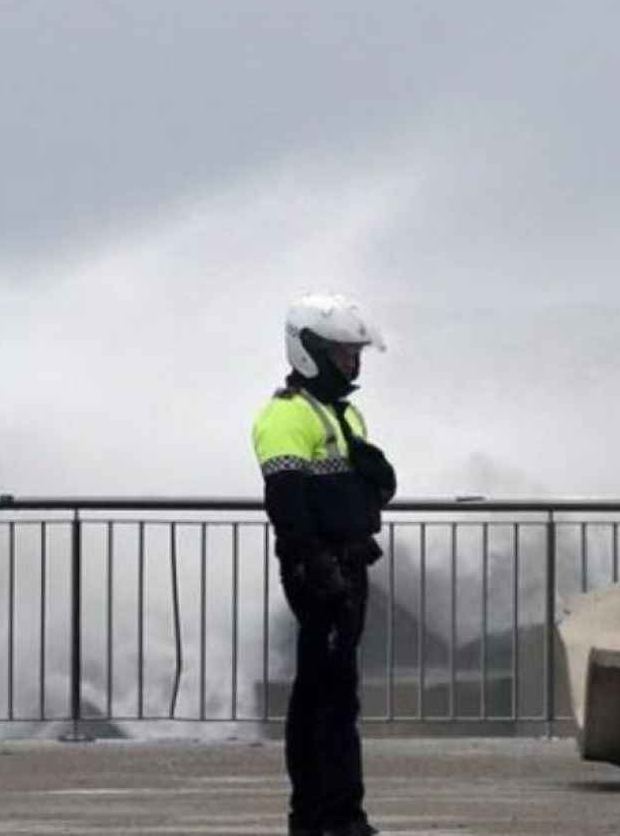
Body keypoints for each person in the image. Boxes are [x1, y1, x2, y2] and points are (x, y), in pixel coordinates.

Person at [251, 293, 397, 836]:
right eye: (341, 353)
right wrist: (316, 565)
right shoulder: (285, 416)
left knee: (335, 694)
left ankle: (335, 814)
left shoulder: (343, 413)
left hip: (350, 564)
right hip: (318, 572)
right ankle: (324, 817)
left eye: (355, 353)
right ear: (309, 350)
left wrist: (377, 480)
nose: (352, 363)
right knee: (323, 698)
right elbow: (287, 505)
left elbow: (360, 493)